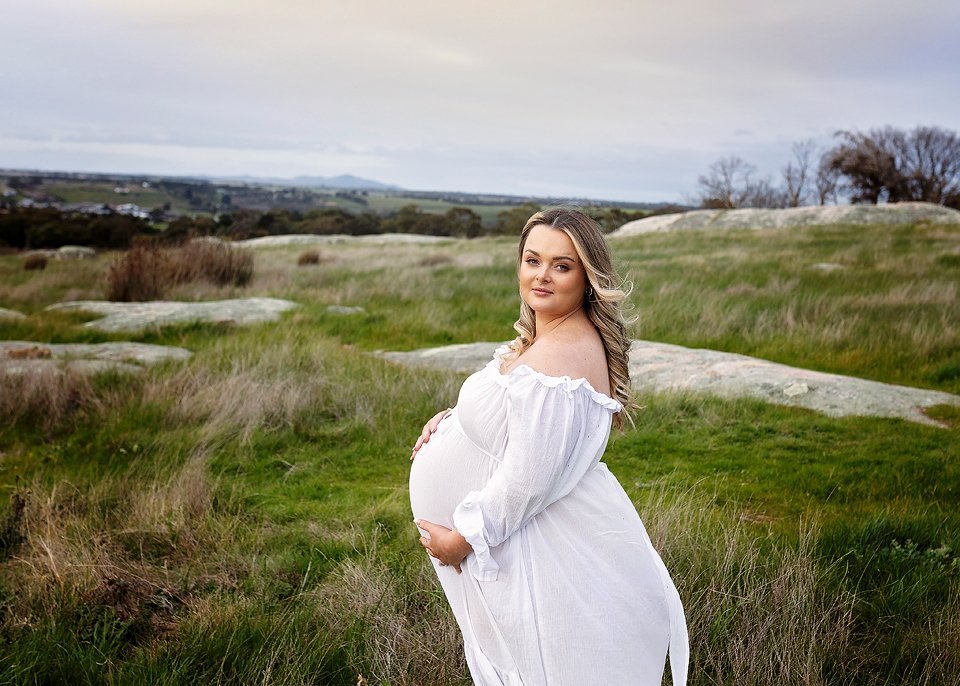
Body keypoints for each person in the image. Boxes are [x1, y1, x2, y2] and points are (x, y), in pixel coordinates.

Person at [409, 208, 687, 685]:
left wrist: (461, 541)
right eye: (532, 260)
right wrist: (459, 420)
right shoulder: (549, 335)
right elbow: (519, 421)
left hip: (534, 547)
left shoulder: (562, 354)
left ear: (588, 277)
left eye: (562, 266)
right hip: (524, 541)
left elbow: (526, 482)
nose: (541, 275)